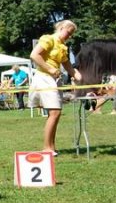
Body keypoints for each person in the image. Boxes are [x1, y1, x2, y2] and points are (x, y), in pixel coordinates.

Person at [28, 20, 81, 155]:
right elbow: (34, 55)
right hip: (43, 78)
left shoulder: (62, 46)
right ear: (61, 27)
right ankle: (47, 148)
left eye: (71, 34)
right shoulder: (48, 39)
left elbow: (68, 65)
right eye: (69, 32)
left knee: (55, 114)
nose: (70, 36)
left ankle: (51, 146)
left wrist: (80, 77)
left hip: (53, 80)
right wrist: (50, 69)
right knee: (55, 113)